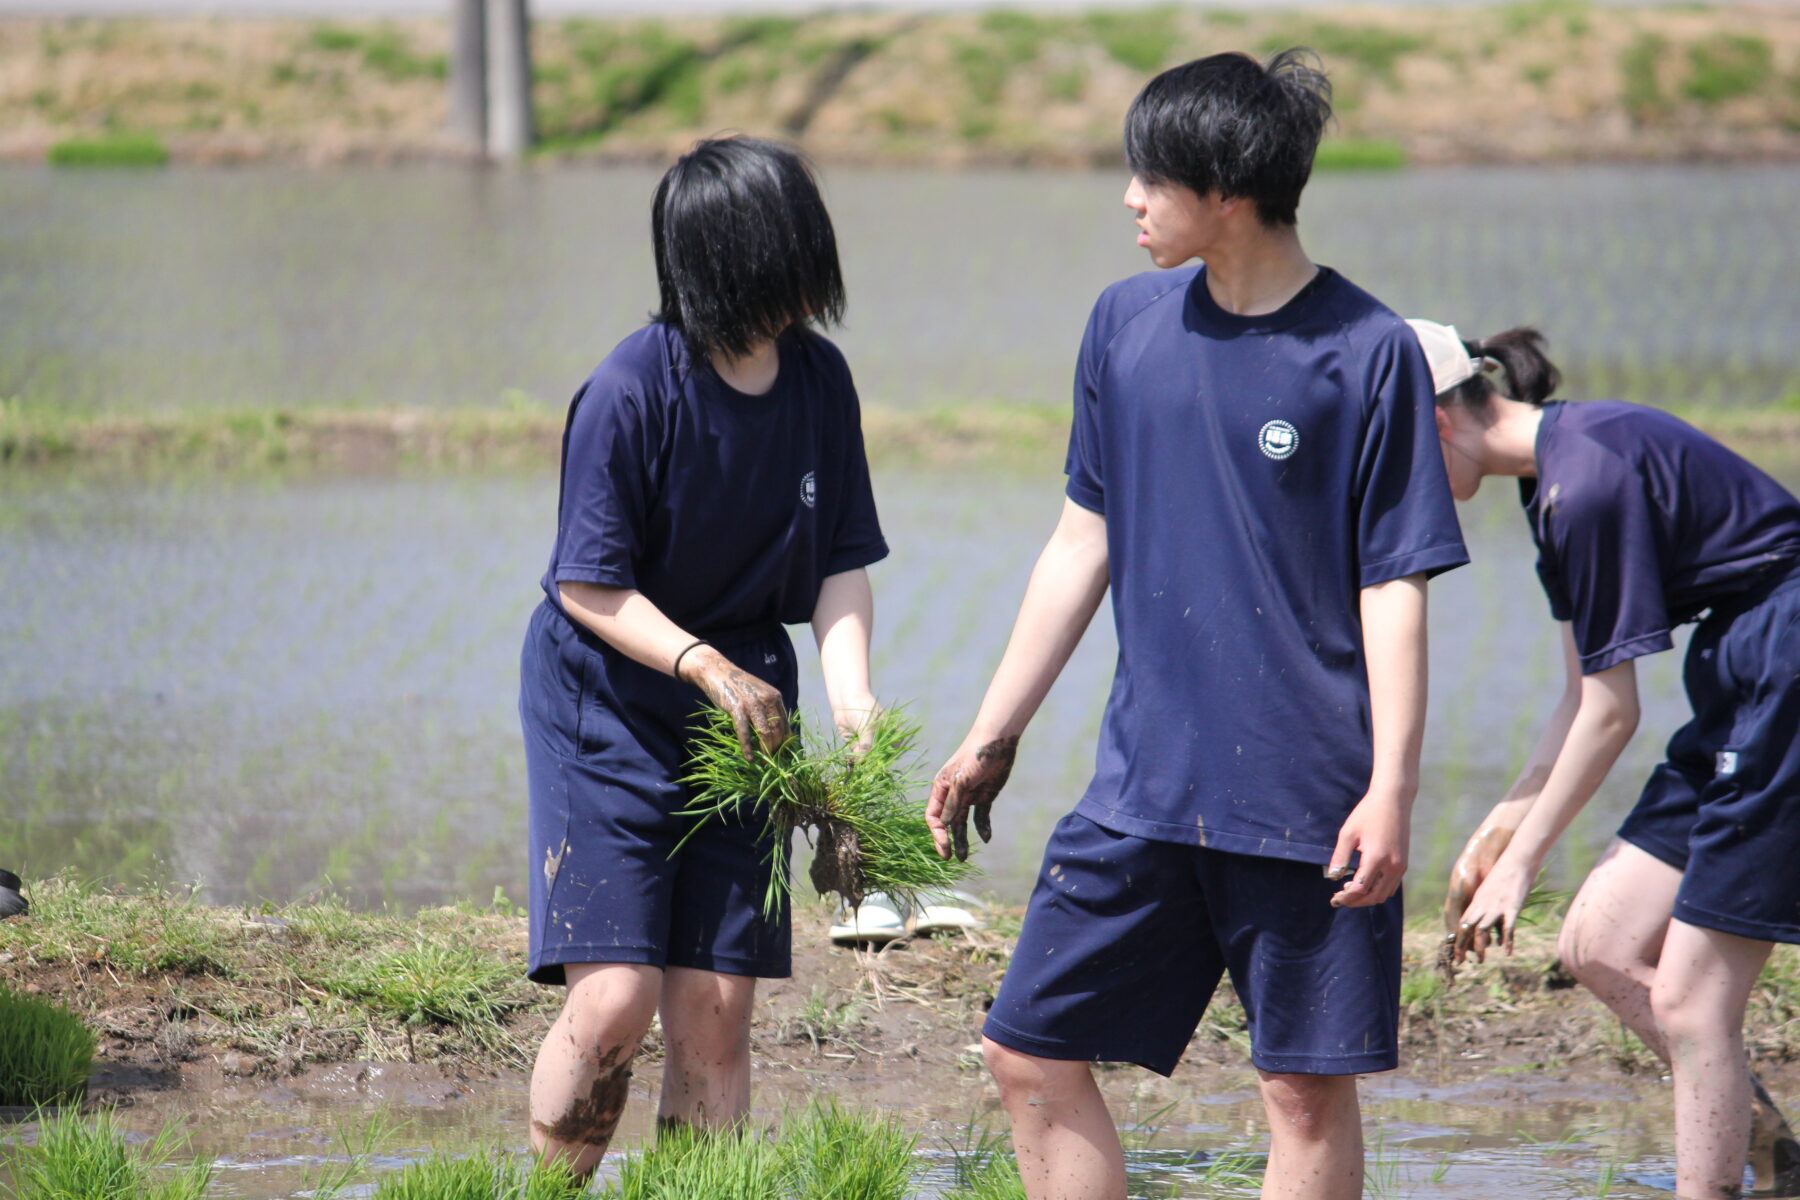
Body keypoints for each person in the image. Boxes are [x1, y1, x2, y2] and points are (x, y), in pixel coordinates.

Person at [926, 51, 1468, 1200]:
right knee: (1024, 1047)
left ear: (1227, 190)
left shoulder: (1365, 355)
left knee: (1302, 1093)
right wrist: (992, 731)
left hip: (1309, 798)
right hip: (1145, 788)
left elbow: (1395, 586)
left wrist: (1392, 790)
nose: (1128, 197)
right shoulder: (1124, 325)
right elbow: (1084, 538)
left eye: (1150, 176)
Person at [517, 135, 887, 1176]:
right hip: (610, 700)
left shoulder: (820, 382)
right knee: (613, 1000)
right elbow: (586, 584)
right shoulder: (633, 389)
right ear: (739, 260)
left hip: (748, 709)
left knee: (718, 1006)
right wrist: (703, 666)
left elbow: (842, 565)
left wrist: (854, 713)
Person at [1417, 319, 1800, 1200]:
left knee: (1693, 1004)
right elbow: (1580, 698)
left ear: (1434, 422)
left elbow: (1613, 714)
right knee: (1598, 944)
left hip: (1783, 666)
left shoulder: (1582, 483)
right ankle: (1772, 1149)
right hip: (1739, 675)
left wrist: (1523, 868)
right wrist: (1504, 822)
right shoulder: (1550, 479)